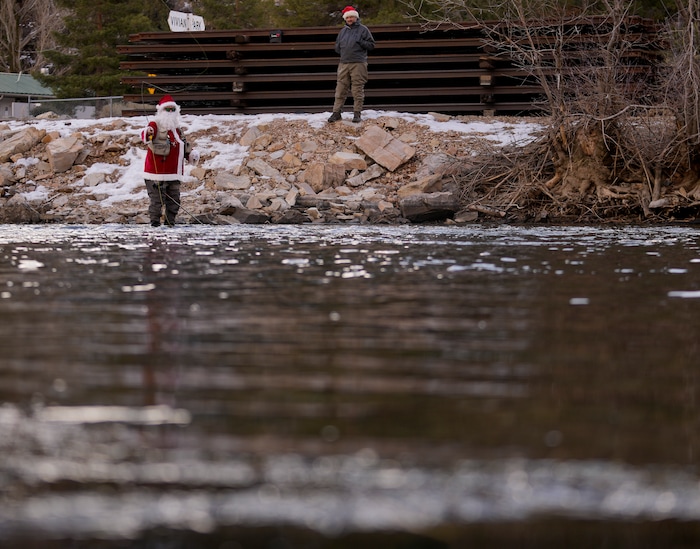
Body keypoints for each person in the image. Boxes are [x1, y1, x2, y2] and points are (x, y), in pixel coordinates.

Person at [140, 95, 198, 227]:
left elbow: (183, 146)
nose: (170, 112)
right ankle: (154, 227)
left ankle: (170, 225)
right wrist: (147, 132)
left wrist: (192, 154)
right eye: (168, 109)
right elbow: (146, 136)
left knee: (174, 202)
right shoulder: (154, 125)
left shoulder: (177, 129)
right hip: (155, 175)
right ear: (161, 111)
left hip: (174, 174)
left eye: (173, 110)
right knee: (157, 202)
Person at [328, 5, 375, 124]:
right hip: (344, 63)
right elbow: (337, 47)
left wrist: (361, 43)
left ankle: (357, 113)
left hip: (358, 63)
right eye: (348, 17)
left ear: (356, 17)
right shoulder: (342, 31)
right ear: (345, 18)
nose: (350, 19)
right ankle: (336, 113)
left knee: (357, 90)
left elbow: (371, 45)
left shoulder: (363, 30)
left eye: (352, 17)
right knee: (340, 90)